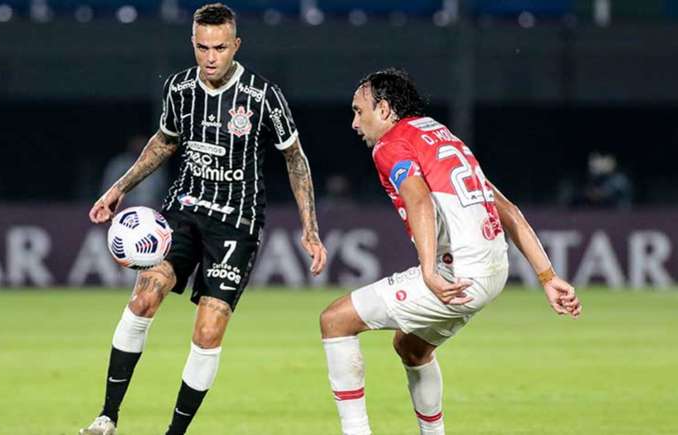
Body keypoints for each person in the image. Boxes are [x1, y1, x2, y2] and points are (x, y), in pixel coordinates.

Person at [80, 4, 327, 434]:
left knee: (208, 330)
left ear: (236, 45)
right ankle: (107, 417)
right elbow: (163, 143)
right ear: (192, 44)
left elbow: (296, 158)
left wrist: (310, 228)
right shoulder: (179, 89)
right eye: (202, 47)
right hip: (184, 211)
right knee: (143, 298)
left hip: (237, 223)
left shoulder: (262, 96)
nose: (210, 57)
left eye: (219, 47)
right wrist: (118, 188)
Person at [319, 68, 581, 435]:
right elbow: (507, 208)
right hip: (494, 269)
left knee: (335, 321)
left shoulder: (390, 144)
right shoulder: (437, 134)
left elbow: (418, 198)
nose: (354, 123)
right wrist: (548, 276)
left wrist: (428, 271)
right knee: (412, 348)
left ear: (384, 109)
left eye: (358, 111)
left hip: (458, 273)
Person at [100, 135, 167, 208]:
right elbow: (107, 189)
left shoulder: (156, 164)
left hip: (150, 207)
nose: (139, 145)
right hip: (124, 207)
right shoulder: (119, 163)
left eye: (142, 142)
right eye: (136, 142)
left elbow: (162, 190)